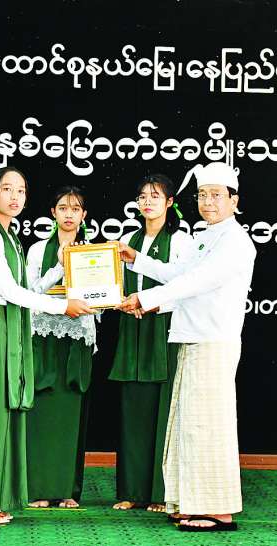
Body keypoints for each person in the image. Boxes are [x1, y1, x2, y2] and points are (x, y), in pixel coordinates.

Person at [117, 162, 256, 532]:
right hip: (192, 338)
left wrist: (145, 299)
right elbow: (179, 273)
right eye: (202, 195)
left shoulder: (235, 241)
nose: (208, 202)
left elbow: (197, 281)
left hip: (213, 340)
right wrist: (137, 259)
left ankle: (218, 511)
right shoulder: (206, 237)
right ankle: (190, 503)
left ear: (234, 201)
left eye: (216, 195)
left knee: (209, 426)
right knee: (189, 426)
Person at [0, 168, 94, 526]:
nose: (15, 197)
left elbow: (28, 289)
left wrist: (59, 271)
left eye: (21, 191)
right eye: (7, 189)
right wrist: (63, 307)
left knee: (3, 414)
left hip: (10, 327)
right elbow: (10, 292)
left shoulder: (10, 237)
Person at [110, 174, 192, 513]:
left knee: (163, 410)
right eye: (143, 196)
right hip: (132, 327)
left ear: (170, 202)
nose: (148, 202)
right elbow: (112, 283)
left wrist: (153, 303)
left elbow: (184, 284)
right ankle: (132, 491)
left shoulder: (182, 240)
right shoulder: (127, 239)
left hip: (164, 327)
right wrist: (113, 299)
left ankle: (161, 493)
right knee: (133, 407)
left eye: (155, 196)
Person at [26, 186, 96, 509]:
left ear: (84, 215)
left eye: (75, 209)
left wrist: (97, 301)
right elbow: (31, 294)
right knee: (42, 409)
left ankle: (68, 490)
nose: (69, 214)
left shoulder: (94, 251)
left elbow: (101, 299)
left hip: (76, 339)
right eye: (63, 208)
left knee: (71, 411)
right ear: (53, 212)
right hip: (44, 337)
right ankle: (39, 489)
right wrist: (60, 266)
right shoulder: (38, 250)